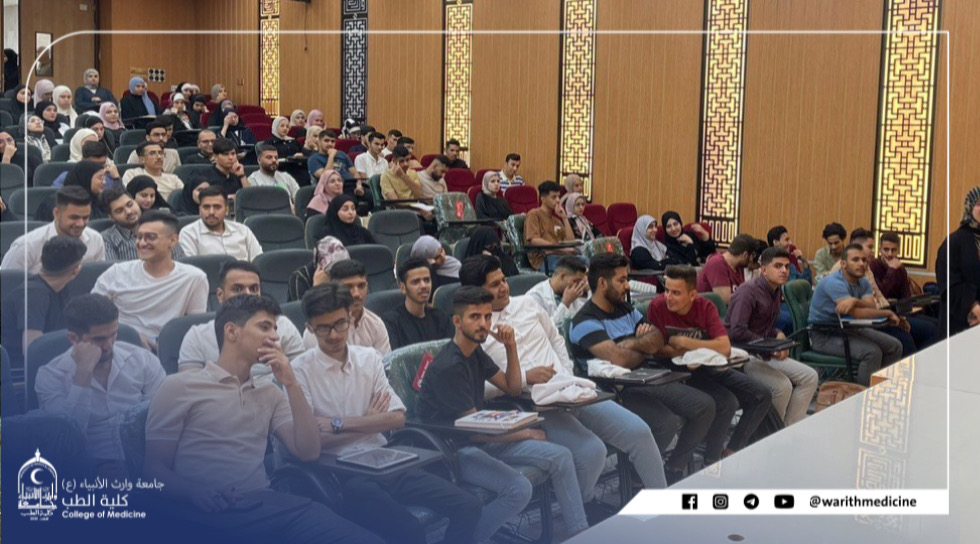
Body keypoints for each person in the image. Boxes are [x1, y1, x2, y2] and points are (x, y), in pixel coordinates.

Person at [144, 294, 383, 544]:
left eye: (275, 328)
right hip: (207, 512)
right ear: (232, 331)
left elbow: (308, 451)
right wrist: (194, 492)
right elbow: (153, 471)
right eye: (265, 327)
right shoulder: (179, 387)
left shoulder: (270, 392)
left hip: (268, 504)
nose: (275, 337)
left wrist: (291, 383)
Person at [461, 254, 668, 496]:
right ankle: (582, 506)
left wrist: (566, 373)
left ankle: (663, 505)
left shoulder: (527, 303)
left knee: (638, 432)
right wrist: (524, 378)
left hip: (569, 388)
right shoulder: (474, 331)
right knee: (592, 452)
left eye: (504, 280)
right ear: (476, 291)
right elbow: (478, 389)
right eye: (495, 285)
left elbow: (556, 338)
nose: (504, 288)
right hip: (531, 404)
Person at [292, 283, 481, 544]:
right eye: (323, 328)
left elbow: (396, 418)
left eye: (340, 324)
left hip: (384, 461)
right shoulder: (299, 371)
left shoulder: (368, 358)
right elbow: (313, 443)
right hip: (341, 474)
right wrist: (371, 422)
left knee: (469, 505)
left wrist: (339, 424)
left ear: (350, 318)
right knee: (410, 530)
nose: (334, 335)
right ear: (310, 327)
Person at [419, 286, 589, 541]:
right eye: (475, 317)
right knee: (518, 489)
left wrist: (511, 346)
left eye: (487, 317)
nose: (483, 324)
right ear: (457, 321)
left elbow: (512, 387)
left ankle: (580, 533)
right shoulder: (449, 366)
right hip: (454, 450)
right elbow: (474, 432)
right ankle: (467, 539)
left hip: (482, 438)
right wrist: (526, 433)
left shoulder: (474, 351)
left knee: (562, 456)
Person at [568, 255, 716, 484]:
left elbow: (657, 338)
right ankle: (638, 477)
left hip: (648, 377)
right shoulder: (584, 320)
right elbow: (618, 359)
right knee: (666, 422)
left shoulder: (625, 308)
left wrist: (630, 345)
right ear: (602, 283)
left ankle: (673, 467)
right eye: (621, 280)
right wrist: (642, 346)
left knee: (705, 406)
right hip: (616, 390)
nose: (627, 285)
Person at [646, 264, 773, 460]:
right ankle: (710, 461)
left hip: (709, 367)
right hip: (676, 371)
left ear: (692, 295)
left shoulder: (705, 307)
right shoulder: (657, 306)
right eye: (666, 290)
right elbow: (656, 349)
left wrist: (687, 343)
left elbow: (724, 347)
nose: (668, 297)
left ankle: (731, 451)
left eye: (676, 293)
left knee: (762, 394)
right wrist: (698, 347)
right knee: (727, 402)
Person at [34, 293, 165, 476]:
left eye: (114, 335)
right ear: (74, 338)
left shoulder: (143, 361)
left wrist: (146, 465)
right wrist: (83, 375)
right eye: (99, 339)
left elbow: (161, 419)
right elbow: (65, 439)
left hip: (147, 462)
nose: (109, 345)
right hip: (86, 469)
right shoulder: (51, 376)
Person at [724, 248, 818, 425]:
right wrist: (770, 346)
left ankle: (788, 429)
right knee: (782, 387)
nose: (784, 271)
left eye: (787, 267)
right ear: (764, 270)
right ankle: (770, 434)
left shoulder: (775, 290)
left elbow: (764, 326)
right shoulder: (748, 292)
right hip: (742, 355)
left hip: (762, 351)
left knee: (810, 376)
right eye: (778, 266)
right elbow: (737, 331)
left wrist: (777, 334)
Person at [92, 210, 208, 349]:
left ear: (173, 241)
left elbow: (194, 327)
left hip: (167, 347)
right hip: (120, 344)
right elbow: (92, 314)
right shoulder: (116, 273)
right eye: (139, 237)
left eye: (150, 237)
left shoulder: (194, 278)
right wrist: (130, 335)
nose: (142, 243)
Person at [179, 260, 305, 373]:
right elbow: (189, 387)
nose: (248, 294)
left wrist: (286, 367)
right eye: (238, 289)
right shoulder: (198, 336)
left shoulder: (282, 326)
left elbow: (302, 378)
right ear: (220, 295)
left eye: (254, 288)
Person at [808, 243, 904, 385]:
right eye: (855, 260)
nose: (861, 264)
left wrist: (854, 300)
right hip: (824, 335)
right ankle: (863, 394)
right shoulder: (834, 282)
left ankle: (881, 387)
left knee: (895, 346)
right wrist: (887, 313)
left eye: (864, 260)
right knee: (872, 353)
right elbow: (858, 314)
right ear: (843, 264)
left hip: (849, 329)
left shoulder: (863, 281)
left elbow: (871, 306)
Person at [1, 236, 85, 369]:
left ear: (41, 260)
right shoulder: (34, 296)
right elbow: (33, 352)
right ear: (76, 270)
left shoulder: (61, 288)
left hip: (51, 361)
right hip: (19, 371)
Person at [1, 187, 106, 272]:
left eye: (85, 218)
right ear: (56, 213)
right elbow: (7, 283)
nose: (81, 223)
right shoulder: (26, 246)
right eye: (74, 218)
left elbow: (97, 278)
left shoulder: (95, 240)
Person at [300, 260, 391, 355]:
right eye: (348, 287)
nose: (356, 294)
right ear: (335, 290)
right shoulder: (318, 330)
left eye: (361, 286)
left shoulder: (376, 324)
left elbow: (385, 362)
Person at [381, 257, 455, 350]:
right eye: (415, 282)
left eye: (427, 280)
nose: (423, 286)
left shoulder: (441, 317)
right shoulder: (392, 322)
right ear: (403, 288)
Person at [936, 187, 980, 338]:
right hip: (960, 321)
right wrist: (972, 305)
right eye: (979, 204)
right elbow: (948, 281)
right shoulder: (954, 242)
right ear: (969, 207)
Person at [179, 186, 263, 261]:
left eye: (217, 207)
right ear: (199, 210)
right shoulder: (189, 234)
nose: (211, 212)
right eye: (206, 207)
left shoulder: (243, 230)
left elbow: (258, 261)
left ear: (226, 210)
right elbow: (190, 269)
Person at [101, 185, 183, 261]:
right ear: (111, 217)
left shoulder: (161, 228)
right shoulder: (107, 239)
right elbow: (113, 270)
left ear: (136, 202)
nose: (128, 212)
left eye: (130, 205)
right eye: (120, 211)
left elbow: (180, 261)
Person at [309, 129, 368, 212]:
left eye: (332, 141)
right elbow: (325, 176)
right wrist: (331, 156)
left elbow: (355, 173)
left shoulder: (342, 154)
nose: (330, 144)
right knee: (351, 201)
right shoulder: (314, 159)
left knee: (372, 197)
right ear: (318, 142)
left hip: (353, 184)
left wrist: (359, 186)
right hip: (336, 187)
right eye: (326, 141)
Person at [524, 180, 577, 272]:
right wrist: (559, 248)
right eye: (554, 197)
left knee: (585, 261)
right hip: (544, 259)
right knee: (572, 268)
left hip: (560, 255)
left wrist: (564, 218)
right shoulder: (533, 214)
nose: (558, 200)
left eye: (558, 196)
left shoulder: (556, 220)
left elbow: (570, 242)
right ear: (543, 199)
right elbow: (534, 240)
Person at [525, 255, 589, 330]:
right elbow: (543, 331)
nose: (580, 285)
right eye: (577, 281)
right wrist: (565, 304)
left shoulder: (574, 293)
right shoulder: (534, 297)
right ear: (563, 277)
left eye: (583, 282)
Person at [696, 233, 759, 304]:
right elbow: (724, 300)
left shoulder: (739, 266)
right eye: (752, 255)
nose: (752, 260)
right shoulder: (717, 263)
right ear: (745, 255)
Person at [288, 236, 350, 302]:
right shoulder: (300, 278)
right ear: (320, 265)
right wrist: (318, 288)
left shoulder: (348, 273)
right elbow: (301, 308)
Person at [380, 145, 433, 222]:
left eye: (407, 160)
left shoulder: (412, 173)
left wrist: (404, 177)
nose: (405, 164)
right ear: (394, 160)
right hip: (399, 211)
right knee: (420, 222)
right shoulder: (385, 176)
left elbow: (419, 194)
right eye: (401, 161)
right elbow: (396, 203)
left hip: (416, 208)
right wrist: (402, 175)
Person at [310, 194, 376, 248]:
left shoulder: (363, 232)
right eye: (345, 209)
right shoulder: (327, 234)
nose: (351, 212)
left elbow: (375, 252)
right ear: (335, 212)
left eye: (353, 209)